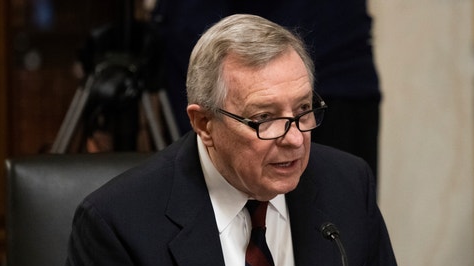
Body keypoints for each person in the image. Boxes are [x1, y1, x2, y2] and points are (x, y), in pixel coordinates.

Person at [57, 14, 408, 266]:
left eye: (303, 109)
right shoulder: (118, 225)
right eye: (264, 118)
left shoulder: (346, 184)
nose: (295, 140)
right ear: (205, 125)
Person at [152, 0, 381, 176]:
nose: (295, 139)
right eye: (264, 117)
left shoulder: (353, 177)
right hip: (217, 65)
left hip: (339, 75)